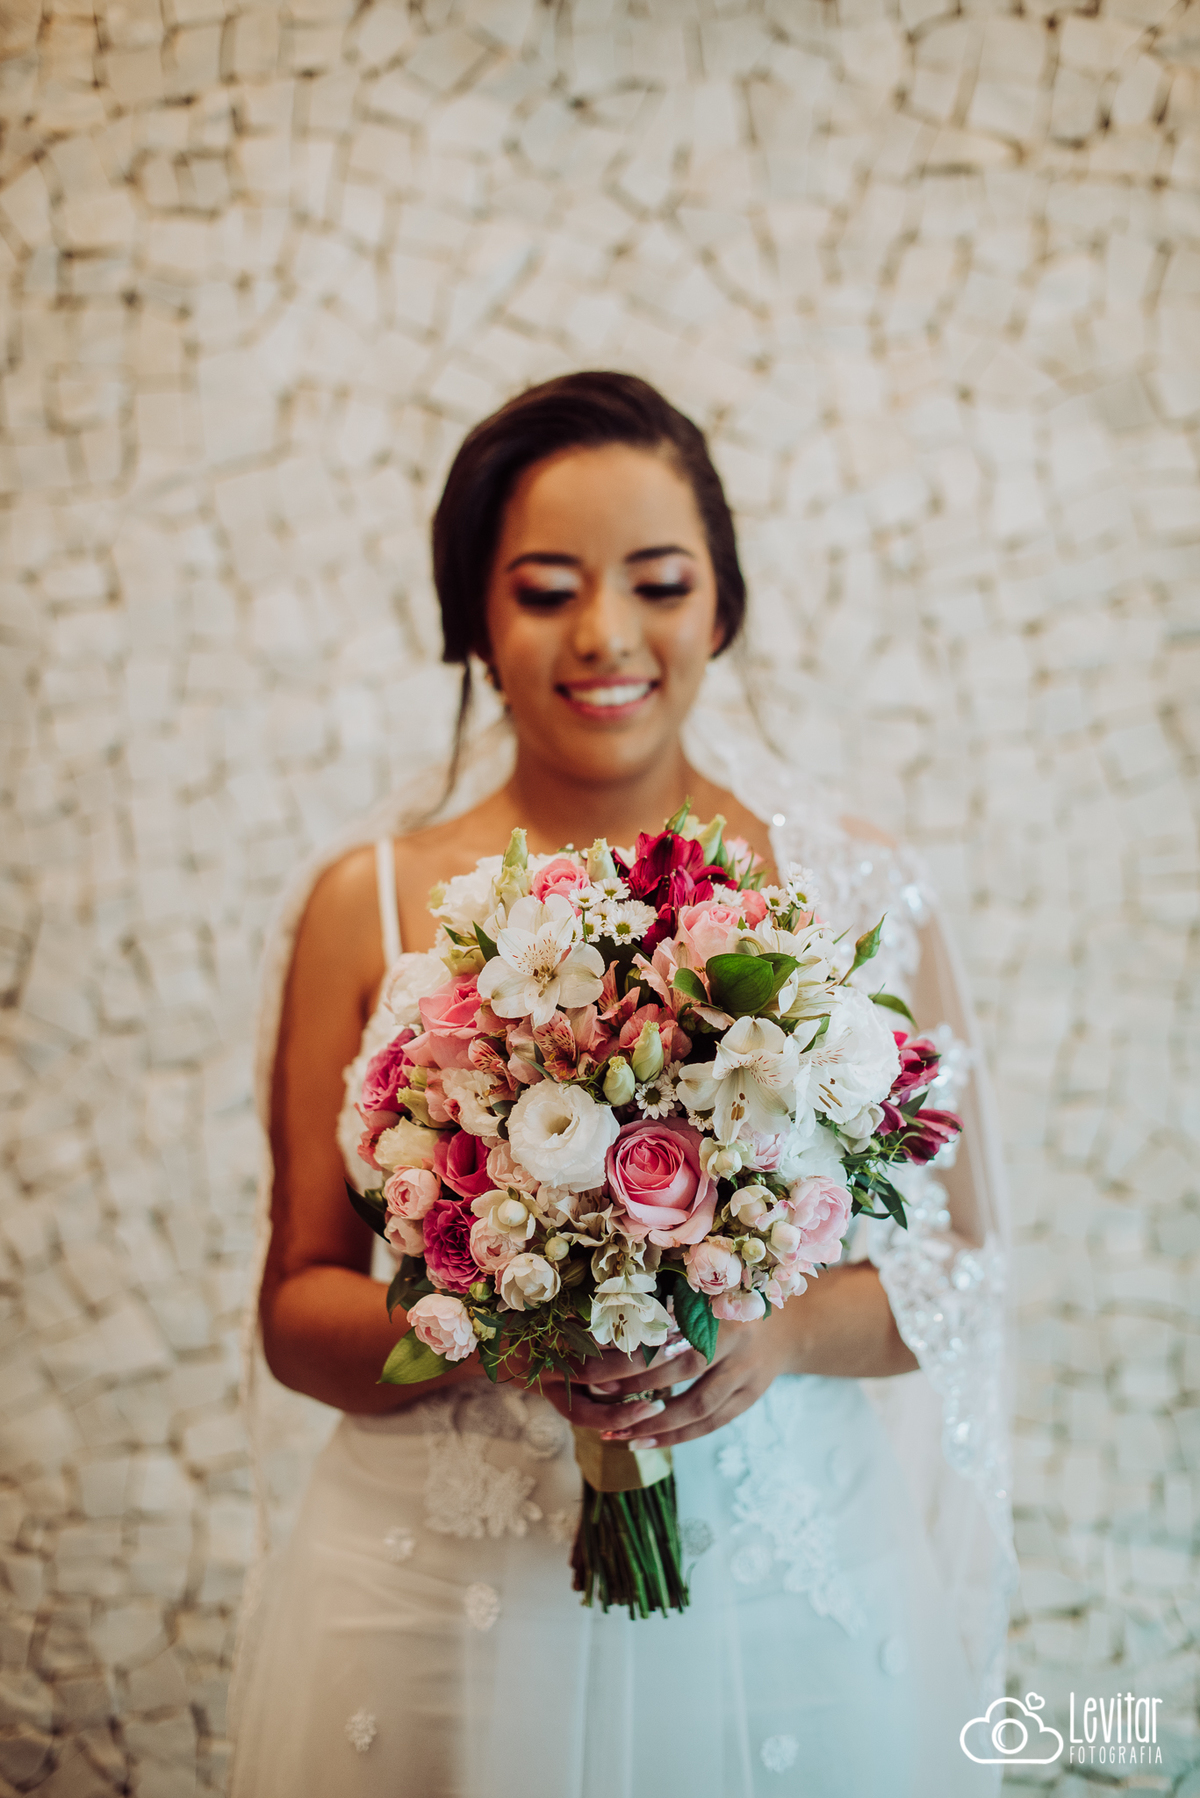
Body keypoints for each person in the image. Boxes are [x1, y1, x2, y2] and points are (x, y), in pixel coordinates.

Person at [228, 373, 1013, 1797]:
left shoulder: (850, 886)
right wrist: (497, 1328)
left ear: (723, 607)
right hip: (435, 1605)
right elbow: (298, 1308)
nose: (604, 634)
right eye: (545, 590)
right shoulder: (369, 903)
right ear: (474, 618)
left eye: (659, 582)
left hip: (782, 1599)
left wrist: (776, 1331)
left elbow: (958, 1269)